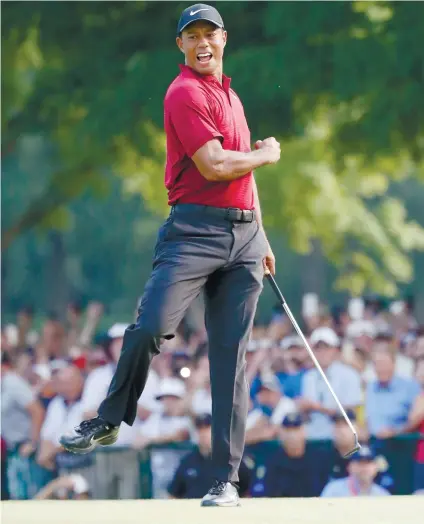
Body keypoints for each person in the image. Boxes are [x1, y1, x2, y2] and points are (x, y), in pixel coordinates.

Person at [60, 3, 280, 508]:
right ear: (180, 45)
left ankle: (225, 480)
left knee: (231, 359)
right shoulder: (183, 92)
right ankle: (110, 418)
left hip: (245, 239)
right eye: (192, 35)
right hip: (193, 231)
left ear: (224, 39)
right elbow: (219, 164)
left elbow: (241, 177)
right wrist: (268, 154)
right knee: (151, 325)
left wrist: (261, 234)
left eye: (211, 34)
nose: (203, 42)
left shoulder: (233, 96)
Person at [168, 414, 250, 499]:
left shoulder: (231, 460)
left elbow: (246, 490)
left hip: (222, 510)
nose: (203, 433)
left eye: (207, 428)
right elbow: (173, 493)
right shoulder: (187, 461)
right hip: (193, 510)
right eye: (200, 429)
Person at [251, 412, 317, 498]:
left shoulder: (316, 458)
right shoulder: (272, 459)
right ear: (281, 433)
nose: (292, 435)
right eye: (288, 430)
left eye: (296, 429)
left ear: (304, 431)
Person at [321, 445, 390, 497]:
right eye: (360, 463)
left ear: (376, 467)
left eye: (368, 462)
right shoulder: (334, 490)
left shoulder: (382, 495)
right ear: (349, 467)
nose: (364, 467)